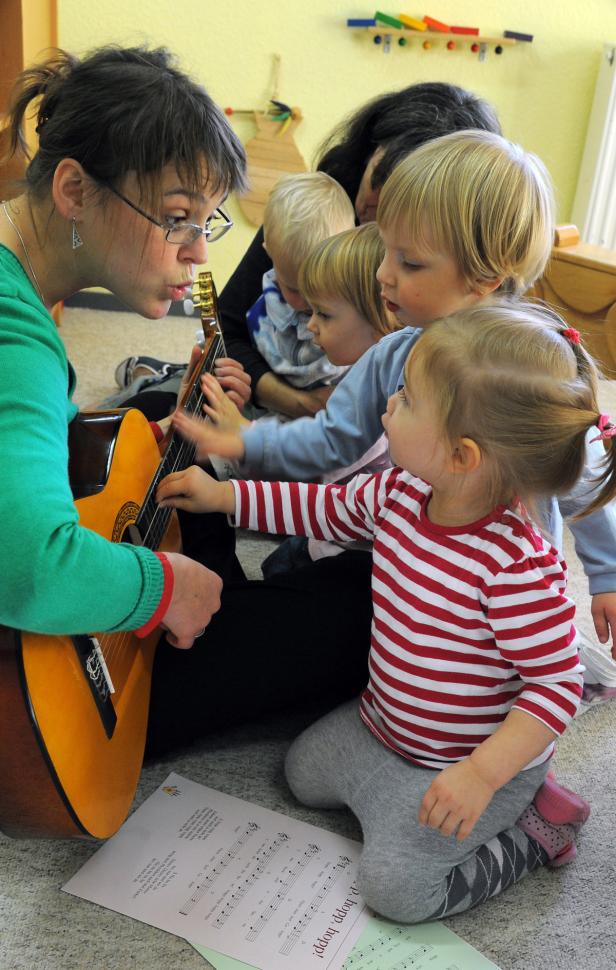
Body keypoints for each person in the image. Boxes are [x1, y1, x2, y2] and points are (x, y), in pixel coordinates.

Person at [156, 300, 613, 921]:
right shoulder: (399, 490)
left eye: (408, 399)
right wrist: (225, 495)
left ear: (463, 456)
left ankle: (536, 832)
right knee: (300, 774)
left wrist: (480, 776)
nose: (387, 404)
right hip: (386, 729)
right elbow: (317, 511)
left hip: (470, 765)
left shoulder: (518, 566)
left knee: (397, 892)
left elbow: (555, 685)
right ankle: (399, 770)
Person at [176, 129, 616, 683]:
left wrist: (607, 575)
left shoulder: (526, 370)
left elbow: (585, 474)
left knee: (499, 674)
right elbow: (330, 437)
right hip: (414, 555)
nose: (382, 272)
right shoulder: (394, 351)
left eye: (408, 262)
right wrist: (247, 439)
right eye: (385, 248)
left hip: (504, 580)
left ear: (484, 278)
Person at [0, 44, 252, 651]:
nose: (199, 253)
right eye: (177, 217)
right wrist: (162, 588)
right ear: (75, 191)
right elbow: (33, 566)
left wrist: (134, 445)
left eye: (207, 222)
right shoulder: (13, 330)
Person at [117, 81, 501, 419]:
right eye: (376, 182)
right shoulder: (312, 210)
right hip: (264, 393)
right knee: (147, 422)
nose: (370, 209)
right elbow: (228, 324)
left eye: (397, 219)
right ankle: (163, 377)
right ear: (370, 151)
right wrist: (292, 401)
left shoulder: (455, 290)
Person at [192, 221, 398, 575]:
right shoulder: (365, 373)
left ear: (381, 320)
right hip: (326, 517)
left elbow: (308, 472)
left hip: (348, 544)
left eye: (324, 314)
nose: (311, 325)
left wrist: (242, 436)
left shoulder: (375, 399)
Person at [244, 171, 355, 415]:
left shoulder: (357, 308)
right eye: (294, 289)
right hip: (268, 404)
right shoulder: (266, 301)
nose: (309, 303)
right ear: (269, 253)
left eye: (319, 287)